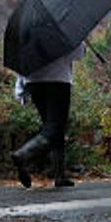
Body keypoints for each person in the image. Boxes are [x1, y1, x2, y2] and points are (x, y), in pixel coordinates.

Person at [11, 43, 86, 188]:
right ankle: (23, 155)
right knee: (54, 128)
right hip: (58, 80)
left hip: (34, 82)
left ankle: (60, 176)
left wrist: (20, 87)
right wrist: (82, 42)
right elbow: (78, 54)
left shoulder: (30, 35)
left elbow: (22, 64)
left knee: (53, 128)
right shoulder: (61, 32)